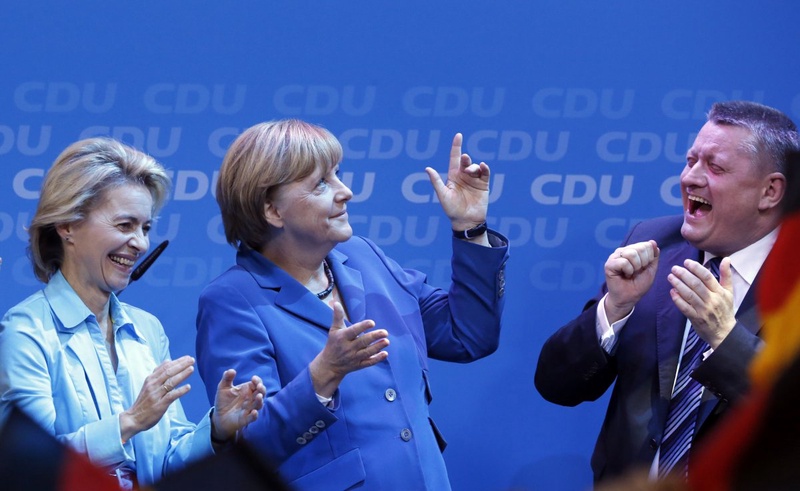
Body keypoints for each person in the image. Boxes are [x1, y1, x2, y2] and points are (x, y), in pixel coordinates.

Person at [195, 119, 509, 490]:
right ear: (273, 211)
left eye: (338, 174)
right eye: (321, 184)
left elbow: (467, 335)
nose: (345, 192)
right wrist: (323, 376)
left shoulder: (362, 256)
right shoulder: (233, 301)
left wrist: (469, 228)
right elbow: (249, 447)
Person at [534, 101, 800, 484]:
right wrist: (614, 308)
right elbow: (557, 384)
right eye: (691, 161)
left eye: (715, 167)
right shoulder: (653, 243)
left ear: (770, 191)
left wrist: (726, 339)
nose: (691, 178)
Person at [0, 138, 267, 489]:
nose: (140, 243)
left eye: (145, 228)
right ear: (67, 225)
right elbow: (31, 466)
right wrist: (130, 421)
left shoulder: (147, 329)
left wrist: (217, 428)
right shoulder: (25, 331)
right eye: (125, 225)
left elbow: (170, 460)